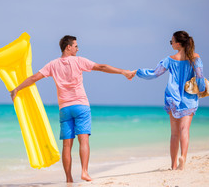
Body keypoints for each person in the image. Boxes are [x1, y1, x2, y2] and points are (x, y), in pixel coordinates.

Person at [10, 35, 135, 182]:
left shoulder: (52, 64)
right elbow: (101, 67)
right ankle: (84, 172)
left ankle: (69, 178)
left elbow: (33, 78)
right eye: (75, 46)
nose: (77, 48)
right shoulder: (78, 61)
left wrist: (16, 89)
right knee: (84, 141)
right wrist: (123, 72)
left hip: (65, 109)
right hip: (81, 106)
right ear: (68, 47)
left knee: (67, 145)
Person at [135, 30, 206, 170]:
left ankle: (173, 165)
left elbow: (154, 73)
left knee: (174, 133)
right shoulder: (195, 58)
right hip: (189, 98)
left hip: (173, 98)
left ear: (178, 43)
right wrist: (202, 88)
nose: (170, 44)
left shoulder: (169, 59)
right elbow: (200, 76)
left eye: (171, 41)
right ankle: (183, 158)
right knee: (185, 130)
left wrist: (137, 72)